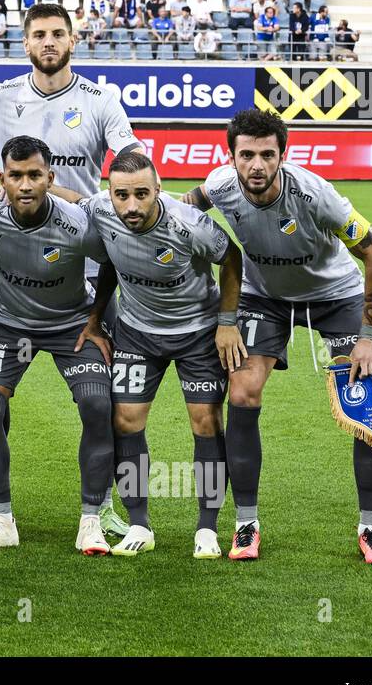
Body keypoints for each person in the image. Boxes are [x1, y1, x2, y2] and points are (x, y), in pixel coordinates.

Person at [180, 110, 372, 563]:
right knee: (242, 393)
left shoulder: (319, 196)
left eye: (266, 155)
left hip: (335, 296)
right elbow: (189, 203)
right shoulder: (221, 183)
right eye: (246, 155)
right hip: (265, 297)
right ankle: (246, 524)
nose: (255, 165)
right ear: (231, 156)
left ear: (283, 155)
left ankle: (371, 529)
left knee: (371, 405)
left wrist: (369, 336)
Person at [0, 1, 143, 537]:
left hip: (82, 268)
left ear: (72, 40)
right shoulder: (3, 99)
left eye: (57, 33)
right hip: (16, 284)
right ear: (25, 42)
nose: (48, 41)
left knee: (98, 402)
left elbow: (130, 166)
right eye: (38, 33)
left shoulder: (100, 100)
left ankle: (103, 502)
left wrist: (58, 194)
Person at [66, 153, 244, 559]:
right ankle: (139, 524)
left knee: (206, 423)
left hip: (198, 334)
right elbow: (68, 201)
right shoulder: (100, 210)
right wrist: (96, 318)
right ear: (109, 193)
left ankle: (207, 529)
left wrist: (227, 321)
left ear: (158, 190)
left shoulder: (190, 224)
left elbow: (231, 257)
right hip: (136, 334)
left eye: (141, 194)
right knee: (125, 421)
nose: (131, 206)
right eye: (121, 195)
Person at [0, 136, 116, 552]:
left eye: (35, 175)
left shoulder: (78, 223)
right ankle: (1, 519)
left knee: (98, 405)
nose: (26, 185)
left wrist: (98, 321)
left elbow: (112, 262)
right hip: (9, 324)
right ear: (2, 179)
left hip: (72, 325)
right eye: (16, 176)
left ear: (50, 177)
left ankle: (91, 520)